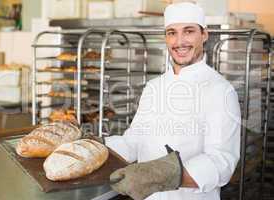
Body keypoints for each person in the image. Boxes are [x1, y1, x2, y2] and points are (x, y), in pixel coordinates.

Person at [103, 2, 241, 200]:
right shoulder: (154, 87)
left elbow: (221, 162)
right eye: (172, 32)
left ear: (204, 35)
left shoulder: (220, 90)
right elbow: (133, 141)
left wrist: (162, 175)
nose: (179, 41)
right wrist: (96, 148)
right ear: (165, 38)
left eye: (188, 31)